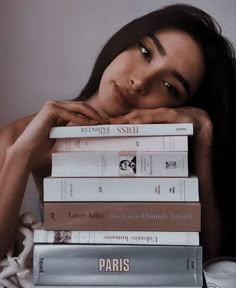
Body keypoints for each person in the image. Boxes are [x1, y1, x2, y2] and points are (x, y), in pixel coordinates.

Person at [0, 3, 235, 263]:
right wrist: (20, 154)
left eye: (169, 86)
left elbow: (206, 263)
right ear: (124, 41)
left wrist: (203, 133)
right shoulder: (27, 134)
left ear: (179, 107)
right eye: (145, 52)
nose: (140, 82)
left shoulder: (171, 154)